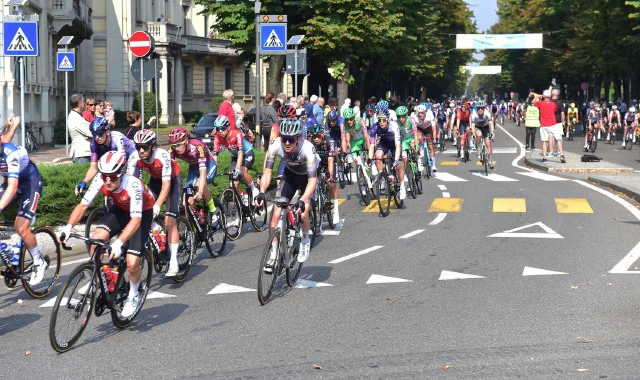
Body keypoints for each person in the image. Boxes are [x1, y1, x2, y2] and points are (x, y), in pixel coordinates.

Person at [58, 152, 155, 318]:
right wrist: (68, 227)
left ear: (122, 173)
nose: (108, 180)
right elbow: (82, 206)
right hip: (120, 209)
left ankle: (133, 294)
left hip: (142, 213)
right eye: (104, 176)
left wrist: (119, 242)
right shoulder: (99, 180)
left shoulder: (133, 184)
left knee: (132, 262)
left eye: (112, 176)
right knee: (97, 239)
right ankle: (97, 278)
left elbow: (136, 220)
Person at [255, 118, 318, 268]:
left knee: (303, 214)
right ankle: (274, 253)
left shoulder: (308, 149)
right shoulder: (275, 145)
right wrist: (262, 192)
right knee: (276, 215)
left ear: (298, 139)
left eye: (291, 139)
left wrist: (302, 200)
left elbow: (312, 181)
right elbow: (268, 172)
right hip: (290, 175)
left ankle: (304, 240)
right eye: (284, 138)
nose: (287, 143)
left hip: (307, 179)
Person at [127, 130, 182, 278]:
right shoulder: (134, 157)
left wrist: (157, 205)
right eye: (138, 146)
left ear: (153, 146)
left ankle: (174, 262)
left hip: (172, 181)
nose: (141, 150)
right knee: (144, 212)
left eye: (144, 147)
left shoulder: (162, 155)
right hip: (155, 181)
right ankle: (156, 229)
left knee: (169, 222)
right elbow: (130, 183)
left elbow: (166, 186)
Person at [0, 138, 46, 285]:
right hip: (10, 183)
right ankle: (5, 249)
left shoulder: (11, 154)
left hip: (30, 184)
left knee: (21, 228)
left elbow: (13, 187)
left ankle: (39, 261)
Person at [167, 127, 220, 227]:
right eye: (174, 146)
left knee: (200, 186)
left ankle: (214, 211)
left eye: (179, 145)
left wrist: (200, 190)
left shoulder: (198, 147)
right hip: (193, 169)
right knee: (189, 197)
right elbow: (168, 170)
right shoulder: (172, 150)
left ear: (186, 141)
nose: (176, 148)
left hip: (208, 166)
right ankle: (196, 217)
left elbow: (203, 172)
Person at [75, 117, 136, 195]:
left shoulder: (117, 138)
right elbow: (93, 168)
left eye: (99, 134)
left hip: (132, 156)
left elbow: (122, 164)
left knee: (128, 183)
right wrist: (84, 182)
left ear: (107, 132)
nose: (97, 137)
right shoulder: (93, 143)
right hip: (117, 157)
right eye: (94, 134)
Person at [212, 115, 259, 201]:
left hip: (247, 153)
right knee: (233, 182)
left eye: (222, 128)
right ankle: (241, 196)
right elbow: (215, 155)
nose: (220, 131)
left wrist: (237, 168)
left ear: (228, 127)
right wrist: (213, 170)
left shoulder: (236, 133)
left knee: (241, 170)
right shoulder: (217, 138)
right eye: (218, 129)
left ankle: (253, 188)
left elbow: (240, 152)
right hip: (235, 156)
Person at [368, 108, 405, 200]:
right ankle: (382, 177)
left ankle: (402, 186)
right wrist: (369, 159)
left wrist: (396, 160)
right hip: (384, 143)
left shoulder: (394, 126)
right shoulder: (374, 128)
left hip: (394, 144)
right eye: (379, 120)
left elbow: (398, 145)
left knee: (398, 166)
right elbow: (372, 146)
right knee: (378, 156)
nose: (381, 122)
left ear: (388, 119)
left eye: (383, 120)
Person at [308, 121, 337, 221]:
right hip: (318, 161)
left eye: (318, 136)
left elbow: (331, 159)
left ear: (323, 134)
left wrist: (330, 174)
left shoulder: (329, 141)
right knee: (314, 179)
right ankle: (317, 197)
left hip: (329, 160)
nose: (316, 138)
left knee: (331, 184)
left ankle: (336, 210)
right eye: (314, 136)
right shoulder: (310, 141)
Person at [532, 90, 563, 163]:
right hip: (553, 124)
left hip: (544, 125)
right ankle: (561, 155)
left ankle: (545, 158)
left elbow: (533, 102)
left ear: (543, 95)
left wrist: (537, 96)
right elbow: (555, 110)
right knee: (558, 139)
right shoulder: (553, 104)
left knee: (544, 141)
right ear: (550, 96)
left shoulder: (541, 103)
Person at [470, 101, 495, 169]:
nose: (480, 110)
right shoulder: (474, 114)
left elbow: (491, 123)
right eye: (479, 108)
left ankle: (490, 161)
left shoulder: (487, 113)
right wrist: (473, 134)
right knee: (479, 134)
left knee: (488, 144)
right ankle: (478, 148)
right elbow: (472, 125)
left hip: (486, 128)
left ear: (484, 108)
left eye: (481, 108)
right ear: (477, 109)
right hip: (477, 128)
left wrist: (492, 132)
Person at [68, 94, 92, 164]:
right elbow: (90, 132)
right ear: (80, 104)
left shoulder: (77, 115)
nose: (85, 104)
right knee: (84, 174)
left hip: (83, 152)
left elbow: (89, 127)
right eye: (84, 102)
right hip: (81, 153)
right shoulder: (75, 117)